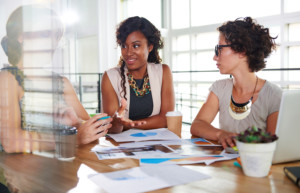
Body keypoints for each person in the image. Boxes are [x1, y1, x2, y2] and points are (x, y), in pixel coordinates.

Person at [0, 5, 112, 153]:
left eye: (56, 36)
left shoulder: (62, 83)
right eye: (45, 34)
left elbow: (90, 130)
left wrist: (77, 123)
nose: (53, 42)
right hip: (23, 173)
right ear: (21, 36)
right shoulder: (7, 79)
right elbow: (12, 142)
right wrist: (74, 138)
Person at [190, 17, 282, 148]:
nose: (215, 57)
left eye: (220, 49)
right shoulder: (219, 88)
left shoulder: (273, 95)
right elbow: (197, 125)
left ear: (242, 50)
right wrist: (220, 134)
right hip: (226, 166)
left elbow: (273, 146)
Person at [101, 16, 175, 133]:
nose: (128, 53)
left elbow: (166, 119)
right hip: (121, 147)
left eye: (136, 46)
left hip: (157, 144)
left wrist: (129, 125)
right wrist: (117, 121)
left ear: (150, 47)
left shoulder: (163, 72)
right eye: (124, 46)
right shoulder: (110, 77)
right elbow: (112, 128)